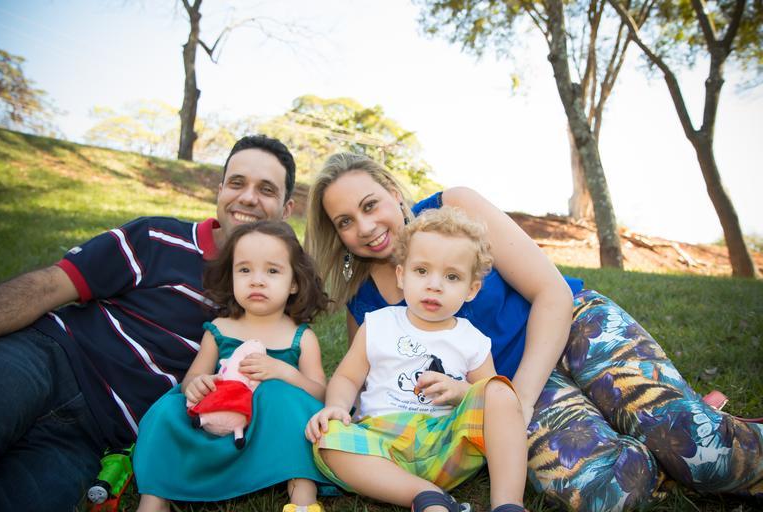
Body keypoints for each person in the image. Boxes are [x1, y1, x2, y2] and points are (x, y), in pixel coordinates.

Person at [304, 152, 763, 511]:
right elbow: (369, 389)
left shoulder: (454, 207)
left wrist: (519, 400)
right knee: (606, 492)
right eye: (345, 222)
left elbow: (551, 293)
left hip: (573, 329)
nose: (365, 227)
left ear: (391, 191)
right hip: (502, 388)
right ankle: (653, 434)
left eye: (370, 205)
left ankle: (678, 423)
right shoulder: (365, 305)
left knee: (704, 452)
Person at [0, 134, 298, 511]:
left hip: (93, 437)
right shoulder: (157, 237)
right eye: (237, 183)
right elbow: (50, 285)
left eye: (266, 189)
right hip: (48, 358)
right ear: (220, 190)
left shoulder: (279, 300)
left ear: (286, 209)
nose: (248, 198)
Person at [306, 206, 528, 512]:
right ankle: (425, 495)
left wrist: (460, 391)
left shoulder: (472, 339)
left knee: (501, 391)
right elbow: (347, 377)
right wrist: (337, 407)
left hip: (445, 445)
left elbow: (491, 399)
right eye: (422, 271)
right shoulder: (379, 324)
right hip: (381, 443)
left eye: (452, 276)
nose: (434, 285)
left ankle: (508, 503)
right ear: (402, 275)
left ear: (471, 289)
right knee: (328, 438)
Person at [135, 220, 331, 512]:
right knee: (164, 410)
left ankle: (303, 496)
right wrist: (197, 384)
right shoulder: (220, 328)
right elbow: (193, 376)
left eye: (272, 271)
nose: (257, 281)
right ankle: (154, 500)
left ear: (294, 282)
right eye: (244, 270)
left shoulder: (300, 337)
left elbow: (319, 395)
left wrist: (285, 373)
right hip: (219, 422)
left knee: (281, 397)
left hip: (271, 433)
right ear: (231, 278)